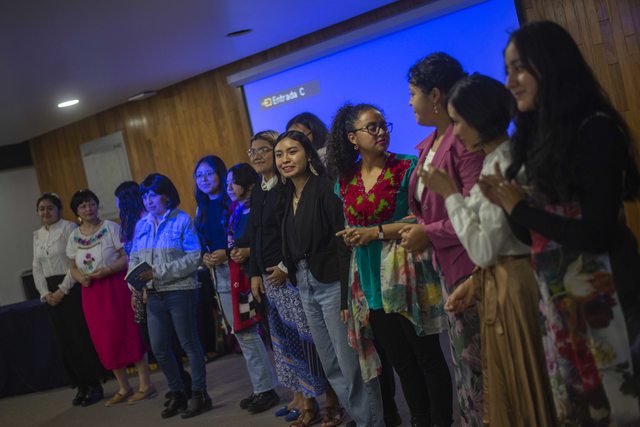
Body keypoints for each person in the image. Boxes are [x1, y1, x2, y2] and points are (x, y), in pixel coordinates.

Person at [482, 20, 640, 425]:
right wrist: (505, 203)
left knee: (622, 408)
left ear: (550, 67)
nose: (510, 82)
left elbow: (597, 233)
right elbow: (529, 233)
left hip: (609, 302)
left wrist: (519, 207)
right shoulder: (535, 138)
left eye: (519, 68)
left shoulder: (596, 129)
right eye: (507, 70)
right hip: (560, 304)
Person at [422, 74, 556, 426]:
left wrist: (450, 194)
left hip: (514, 284)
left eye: (459, 122)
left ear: (479, 119)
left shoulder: (502, 165)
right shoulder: (497, 159)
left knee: (523, 383)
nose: (457, 131)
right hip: (500, 279)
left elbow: (482, 249)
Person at [326, 103, 451, 427]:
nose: (381, 132)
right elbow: (349, 226)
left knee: (428, 357)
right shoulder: (345, 179)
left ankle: (442, 422)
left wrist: (375, 232)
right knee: (401, 362)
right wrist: (355, 236)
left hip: (406, 273)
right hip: (368, 281)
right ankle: (420, 420)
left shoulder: (407, 167)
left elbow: (422, 219)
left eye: (384, 125)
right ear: (352, 137)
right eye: (372, 128)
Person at [276, 130, 384, 427]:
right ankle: (362, 418)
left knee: (351, 364)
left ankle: (371, 422)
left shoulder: (325, 188)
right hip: (306, 284)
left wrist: (347, 296)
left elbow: (341, 244)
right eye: (280, 154)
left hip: (332, 284)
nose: (286, 159)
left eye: (292, 151)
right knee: (331, 365)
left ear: (308, 154)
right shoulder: (289, 196)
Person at [400, 52, 485, 427]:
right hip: (444, 267)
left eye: (413, 93)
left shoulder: (463, 138)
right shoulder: (429, 143)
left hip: (472, 265)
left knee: (480, 364)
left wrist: (427, 233)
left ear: (435, 95)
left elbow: (477, 211)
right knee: (465, 365)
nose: (409, 101)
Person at [247, 130, 341, 426]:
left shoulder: (294, 187)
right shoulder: (261, 190)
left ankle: (331, 403)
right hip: (272, 276)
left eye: (265, 150)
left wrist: (283, 266)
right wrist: (254, 272)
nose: (259, 156)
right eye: (254, 152)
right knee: (289, 345)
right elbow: (257, 235)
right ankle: (307, 401)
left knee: (314, 345)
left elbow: (297, 236)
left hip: (297, 275)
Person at [127, 174, 211, 419]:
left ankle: (200, 394)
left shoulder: (182, 220)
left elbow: (194, 257)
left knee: (189, 344)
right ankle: (178, 392)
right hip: (152, 295)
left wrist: (158, 272)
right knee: (160, 348)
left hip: (180, 291)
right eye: (145, 195)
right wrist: (134, 283)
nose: (148, 200)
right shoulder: (141, 225)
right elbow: (133, 258)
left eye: (153, 194)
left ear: (166, 194)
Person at [66, 189, 150, 407]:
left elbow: (126, 257)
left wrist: (108, 270)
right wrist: (80, 278)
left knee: (128, 331)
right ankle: (123, 387)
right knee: (103, 338)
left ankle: (145, 384)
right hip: (91, 292)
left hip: (115, 286)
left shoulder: (111, 228)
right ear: (77, 211)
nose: (88, 209)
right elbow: (72, 265)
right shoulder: (74, 236)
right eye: (83, 206)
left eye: (91, 203)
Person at [209, 162, 280, 414]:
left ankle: (269, 388)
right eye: (227, 183)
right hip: (239, 276)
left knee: (264, 334)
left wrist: (242, 252)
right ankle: (263, 386)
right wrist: (225, 254)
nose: (228, 188)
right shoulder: (237, 210)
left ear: (250, 184)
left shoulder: (257, 210)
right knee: (246, 335)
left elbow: (266, 241)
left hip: (259, 277)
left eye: (233, 183)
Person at [32, 192, 105, 407]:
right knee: (64, 342)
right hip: (50, 293)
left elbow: (76, 262)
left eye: (50, 208)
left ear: (59, 210)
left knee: (79, 338)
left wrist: (62, 290)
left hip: (70, 287)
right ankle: (80, 383)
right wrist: (45, 293)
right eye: (42, 209)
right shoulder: (37, 235)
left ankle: (93, 384)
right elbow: (37, 267)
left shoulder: (69, 228)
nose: (46, 212)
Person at [113, 181, 157, 404]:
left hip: (149, 282)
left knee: (158, 336)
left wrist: (146, 287)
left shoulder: (144, 218)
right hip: (135, 285)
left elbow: (148, 256)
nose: (116, 203)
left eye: (118, 199)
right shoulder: (127, 223)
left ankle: (149, 384)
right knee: (146, 334)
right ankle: (147, 383)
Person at [192, 155, 230, 357]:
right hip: (218, 271)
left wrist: (229, 253)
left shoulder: (232, 199)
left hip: (239, 266)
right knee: (239, 330)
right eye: (199, 175)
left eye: (209, 174)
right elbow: (202, 240)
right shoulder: (202, 207)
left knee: (255, 329)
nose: (204, 179)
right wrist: (204, 256)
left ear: (220, 174)